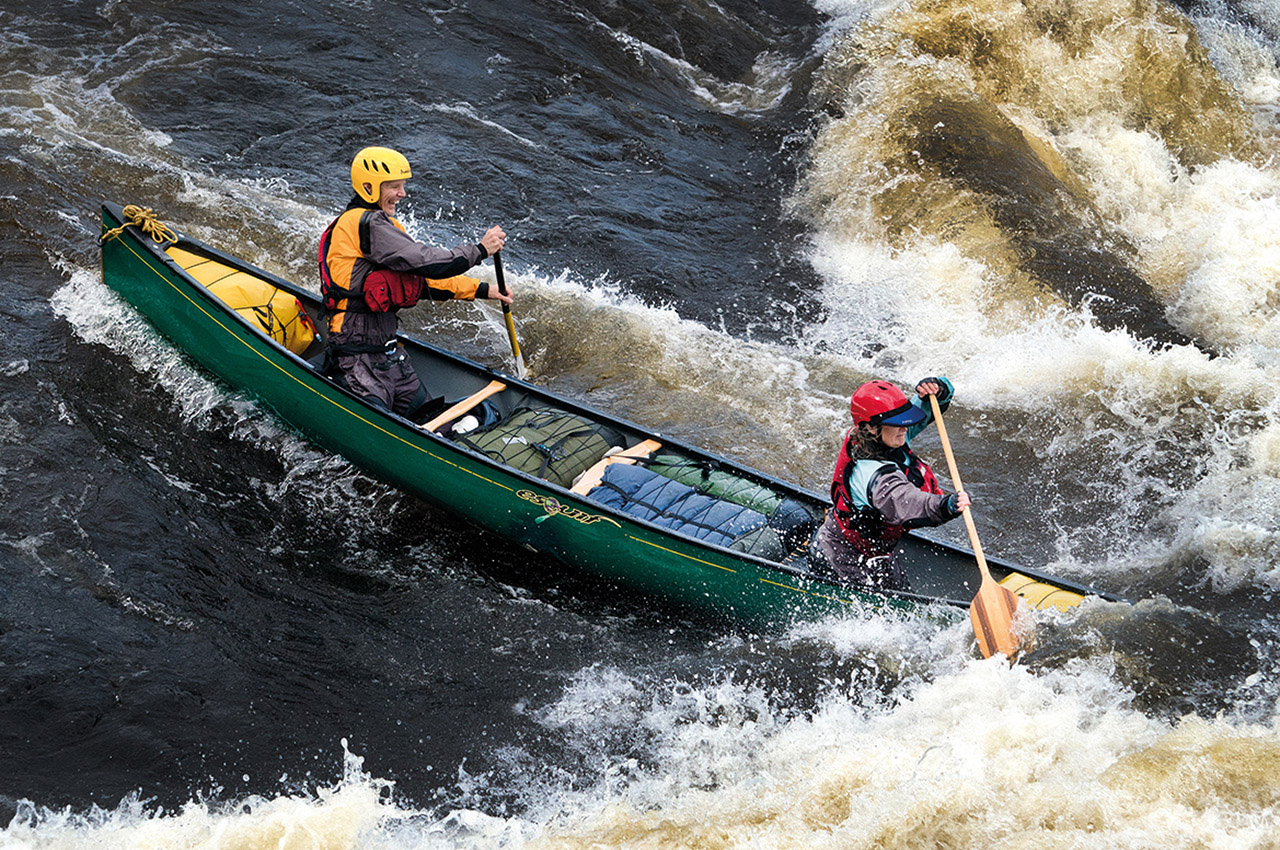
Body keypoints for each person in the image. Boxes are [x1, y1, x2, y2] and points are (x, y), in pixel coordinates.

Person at [317, 145, 510, 421]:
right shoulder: (365, 225)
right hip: (355, 359)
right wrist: (479, 250)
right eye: (394, 186)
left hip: (388, 356)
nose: (402, 193)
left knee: (429, 416)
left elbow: (423, 280)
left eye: (402, 185)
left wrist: (483, 290)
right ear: (370, 186)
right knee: (378, 422)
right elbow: (427, 261)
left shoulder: (386, 228)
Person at [817, 376, 971, 590]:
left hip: (877, 554)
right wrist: (945, 505)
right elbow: (907, 503)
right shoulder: (873, 475)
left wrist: (939, 390)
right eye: (898, 423)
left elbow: (925, 411)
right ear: (871, 427)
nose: (905, 428)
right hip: (843, 557)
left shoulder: (885, 436)